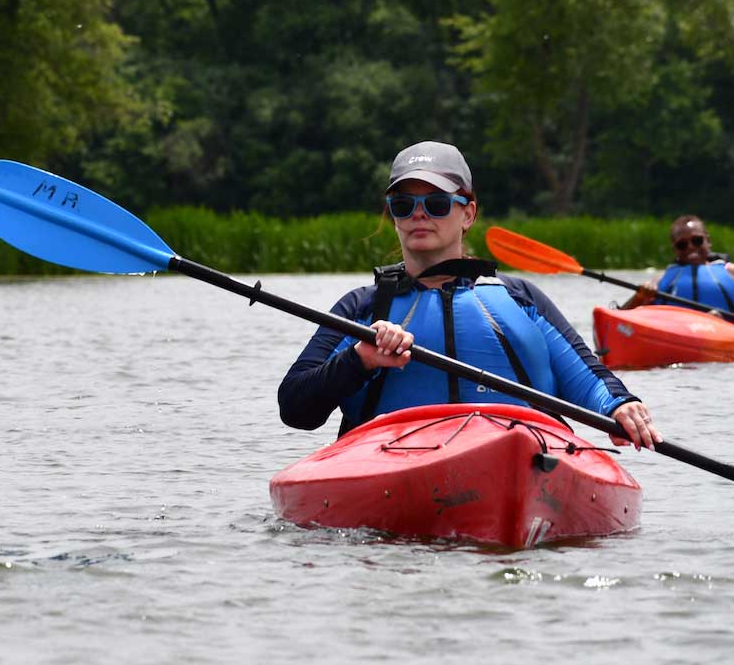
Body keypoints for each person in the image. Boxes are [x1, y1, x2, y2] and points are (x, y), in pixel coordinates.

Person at [278, 141, 659, 449]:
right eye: (404, 205)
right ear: (392, 215)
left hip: (520, 452)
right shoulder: (361, 308)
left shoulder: (519, 298)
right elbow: (295, 407)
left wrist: (622, 405)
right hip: (389, 459)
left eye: (437, 203)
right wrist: (360, 359)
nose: (419, 215)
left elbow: (589, 379)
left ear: (469, 213)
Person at [617, 215, 734, 313]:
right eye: (682, 245)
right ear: (675, 250)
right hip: (676, 334)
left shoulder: (730, 271)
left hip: (723, 331)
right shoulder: (661, 280)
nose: (691, 247)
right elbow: (622, 316)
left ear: (708, 241)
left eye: (697, 240)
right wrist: (639, 297)